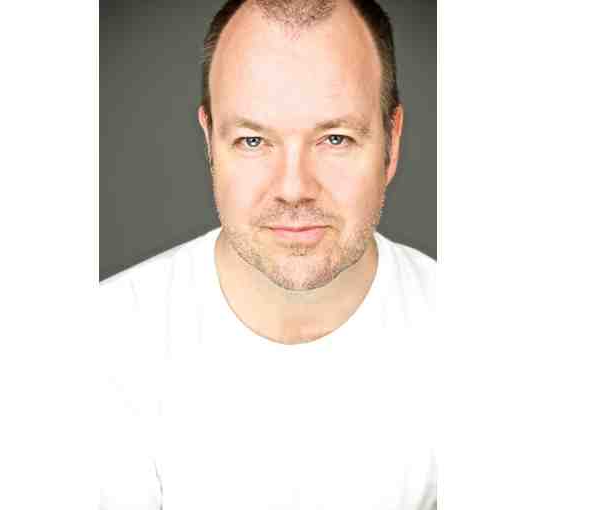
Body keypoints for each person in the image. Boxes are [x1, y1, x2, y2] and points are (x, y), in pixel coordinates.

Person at [98, 0, 436, 508]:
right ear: (209, 142)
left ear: (392, 140)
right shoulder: (103, 343)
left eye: (335, 138)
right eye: (254, 140)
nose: (294, 188)